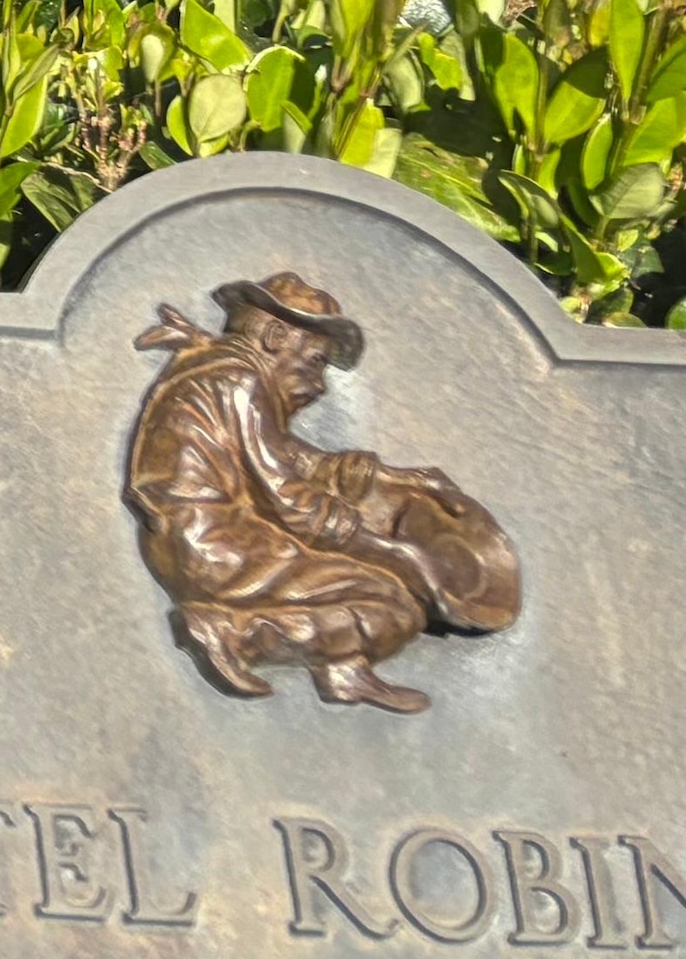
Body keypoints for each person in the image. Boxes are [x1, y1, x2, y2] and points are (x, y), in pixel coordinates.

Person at [122, 272, 518, 712]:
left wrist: (392, 477)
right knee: (392, 602)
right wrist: (395, 555)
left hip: (198, 539)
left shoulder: (223, 375)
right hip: (216, 547)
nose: (320, 384)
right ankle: (236, 636)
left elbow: (290, 457)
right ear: (274, 335)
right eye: (314, 361)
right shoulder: (239, 383)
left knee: (379, 595)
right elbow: (291, 502)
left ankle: (340, 671)